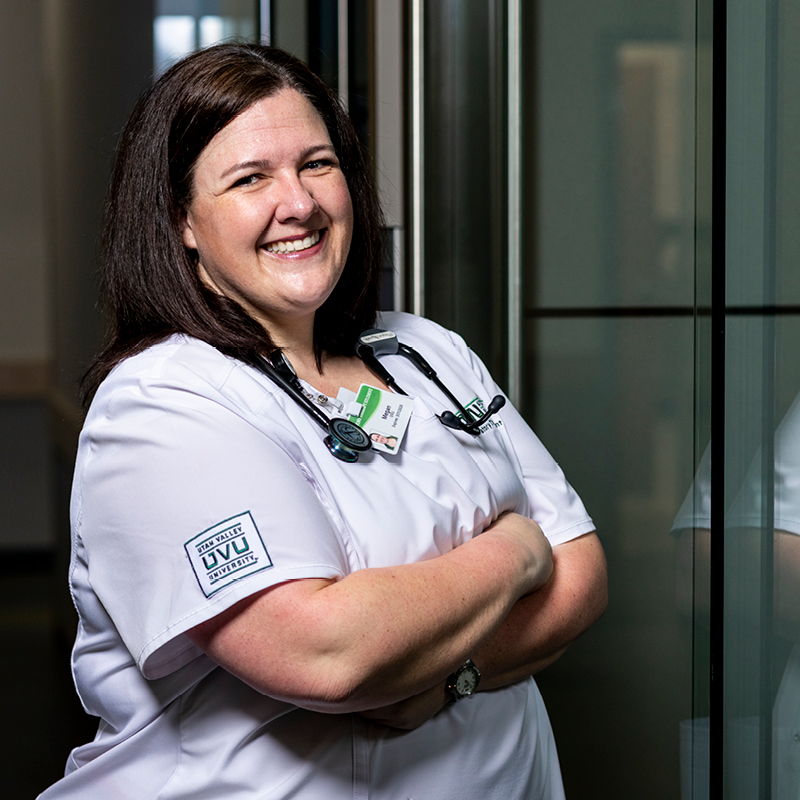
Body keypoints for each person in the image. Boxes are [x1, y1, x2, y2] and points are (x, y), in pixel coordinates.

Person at [39, 43, 607, 800]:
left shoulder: (423, 350)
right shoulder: (162, 404)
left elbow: (585, 575)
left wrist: (451, 679)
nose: (299, 203)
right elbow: (325, 654)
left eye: (317, 164)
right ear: (182, 220)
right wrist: (516, 552)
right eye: (250, 179)